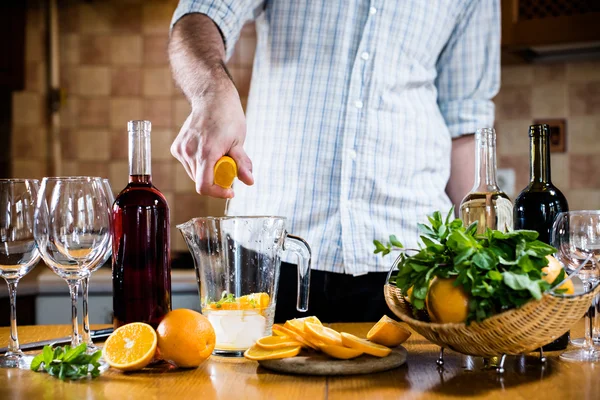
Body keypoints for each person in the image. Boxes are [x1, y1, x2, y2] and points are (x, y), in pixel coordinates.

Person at [168, 1, 500, 322]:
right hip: (271, 255)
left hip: (411, 261)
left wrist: (483, 259)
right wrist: (211, 91)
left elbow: (464, 124)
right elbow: (200, 15)